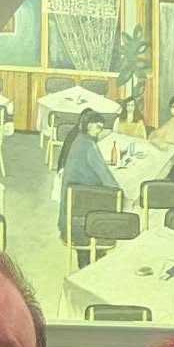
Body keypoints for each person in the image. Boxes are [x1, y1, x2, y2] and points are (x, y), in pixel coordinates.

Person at [57, 108, 119, 266]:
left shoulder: (79, 140)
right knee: (115, 201)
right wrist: (121, 193)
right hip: (86, 216)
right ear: (89, 125)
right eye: (98, 127)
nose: (99, 131)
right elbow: (105, 174)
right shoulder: (89, 145)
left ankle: (86, 260)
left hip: (71, 214)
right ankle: (96, 258)